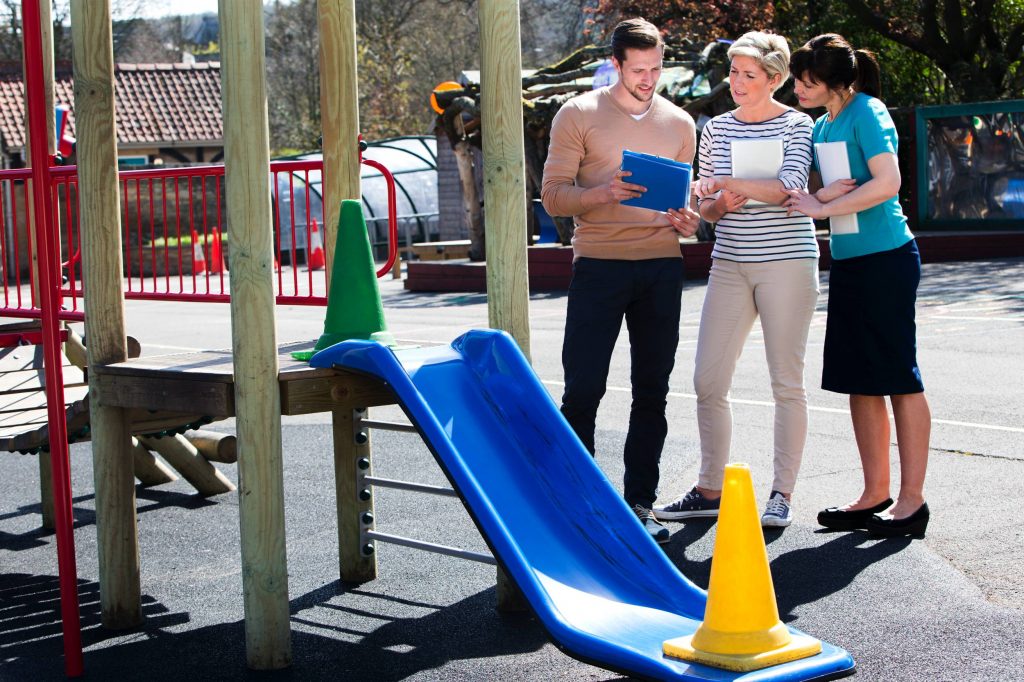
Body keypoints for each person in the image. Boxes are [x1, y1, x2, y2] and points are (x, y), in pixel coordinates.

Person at [541, 17, 700, 544]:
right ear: (616, 64)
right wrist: (604, 193)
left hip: (661, 264)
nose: (649, 79)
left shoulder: (679, 123)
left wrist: (689, 221)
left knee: (651, 391)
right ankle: (578, 503)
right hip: (599, 265)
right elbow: (554, 197)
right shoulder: (578, 114)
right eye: (638, 70)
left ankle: (640, 504)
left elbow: (687, 202)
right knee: (582, 389)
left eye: (656, 68)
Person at [653, 31, 819, 529]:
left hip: (787, 263)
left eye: (749, 74)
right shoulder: (718, 129)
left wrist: (727, 184)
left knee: (785, 382)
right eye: (734, 72)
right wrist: (716, 203)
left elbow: (790, 189)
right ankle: (710, 488)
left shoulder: (797, 124)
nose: (737, 82)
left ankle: (781, 494)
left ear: (775, 78)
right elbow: (706, 207)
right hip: (730, 262)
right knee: (708, 379)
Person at [783, 33, 931, 538]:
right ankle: (875, 493)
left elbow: (887, 183)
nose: (799, 88)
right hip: (848, 262)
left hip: (886, 259)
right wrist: (820, 197)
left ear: (837, 82)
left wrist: (820, 207)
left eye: (809, 81)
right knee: (859, 380)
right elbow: (832, 190)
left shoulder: (868, 111)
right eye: (799, 80)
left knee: (897, 376)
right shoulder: (824, 123)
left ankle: (912, 503)